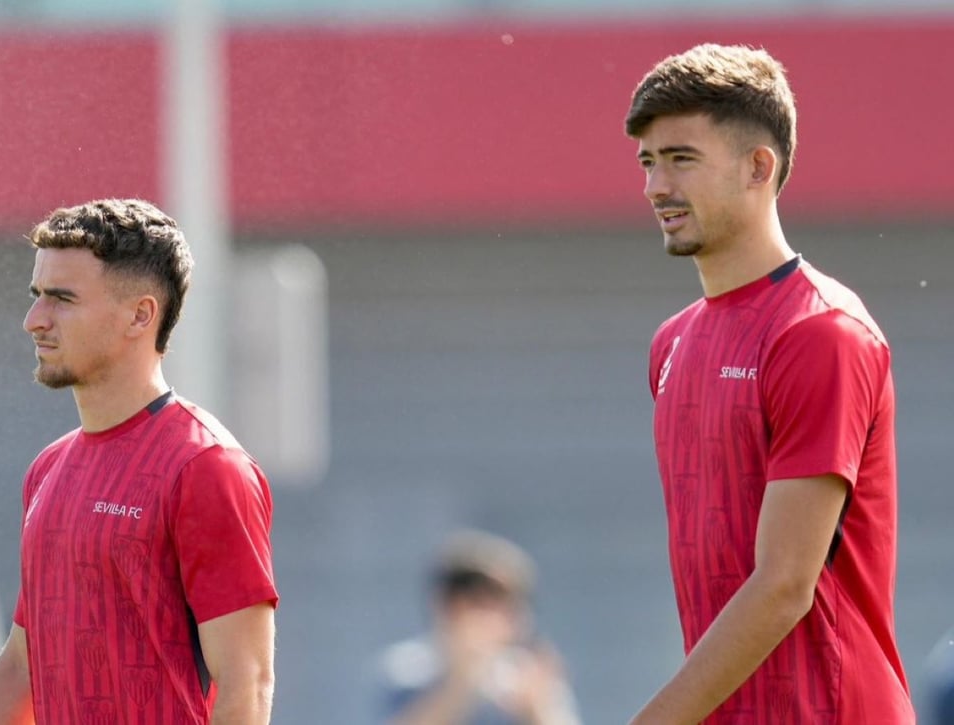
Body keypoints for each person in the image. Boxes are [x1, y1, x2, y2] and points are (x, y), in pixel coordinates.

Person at [625, 44, 912, 723]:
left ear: (760, 166)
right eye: (647, 161)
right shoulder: (671, 342)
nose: (655, 186)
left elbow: (785, 584)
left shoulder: (820, 332)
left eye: (681, 159)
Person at [0, 198, 279, 724]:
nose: (34, 321)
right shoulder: (48, 468)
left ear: (140, 314)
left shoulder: (206, 467)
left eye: (62, 299)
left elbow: (246, 685)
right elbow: (22, 667)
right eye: (37, 296)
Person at [377, 530, 581, 725]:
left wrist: (537, 708)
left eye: (500, 601)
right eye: (475, 601)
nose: (488, 616)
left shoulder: (526, 675)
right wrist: (463, 680)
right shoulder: (409, 671)